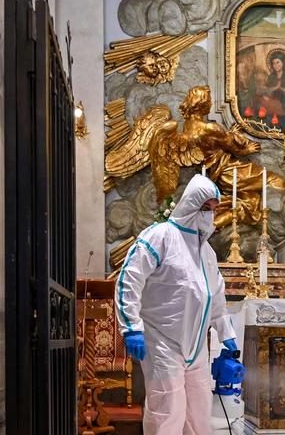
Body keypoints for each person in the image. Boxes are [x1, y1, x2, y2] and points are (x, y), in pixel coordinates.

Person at [115, 175, 238, 435]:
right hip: (162, 341)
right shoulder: (161, 236)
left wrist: (227, 333)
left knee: (199, 409)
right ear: (191, 206)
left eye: (214, 210)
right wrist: (131, 327)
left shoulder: (206, 252)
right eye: (206, 208)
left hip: (196, 345)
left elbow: (215, 296)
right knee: (167, 409)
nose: (210, 216)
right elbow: (129, 279)